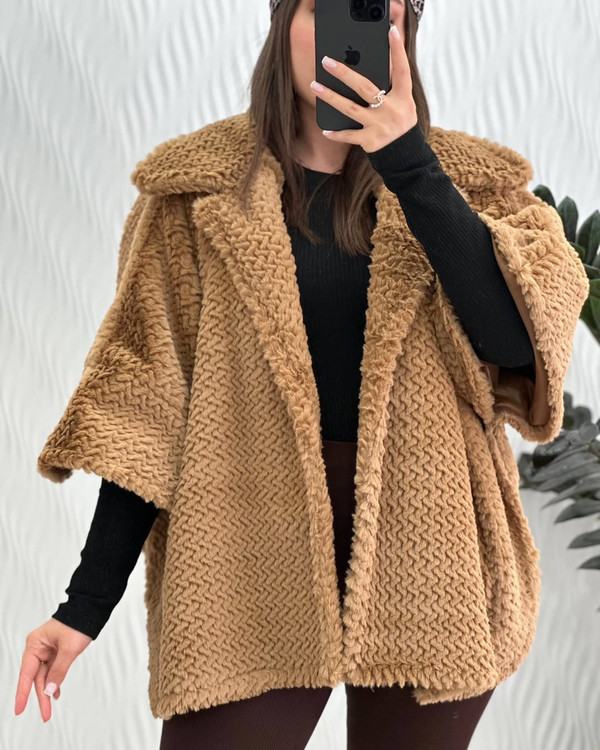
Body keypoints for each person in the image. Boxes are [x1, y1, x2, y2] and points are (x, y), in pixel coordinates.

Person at [15, 0, 589, 747]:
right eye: (323, 6)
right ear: (282, 18)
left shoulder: (477, 189)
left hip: (435, 557)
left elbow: (516, 344)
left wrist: (409, 162)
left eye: (375, 10)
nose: (345, 36)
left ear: (406, 30)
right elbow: (145, 413)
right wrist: (83, 605)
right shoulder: (192, 195)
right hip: (243, 545)